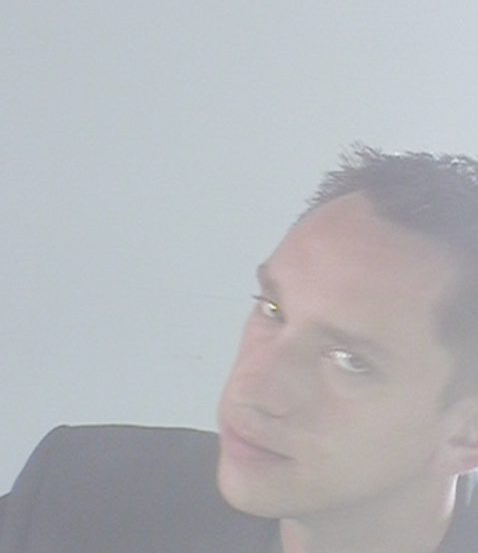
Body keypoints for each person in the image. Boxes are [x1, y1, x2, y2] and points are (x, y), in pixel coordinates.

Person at [0, 145, 477, 553]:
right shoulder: (79, 498)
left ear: (466, 436)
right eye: (273, 310)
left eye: (351, 361)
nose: (254, 390)